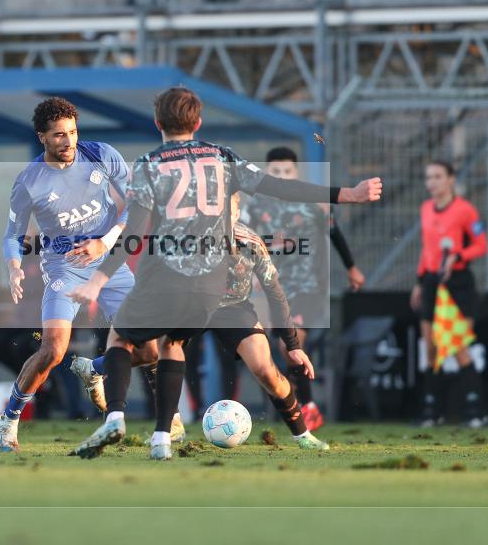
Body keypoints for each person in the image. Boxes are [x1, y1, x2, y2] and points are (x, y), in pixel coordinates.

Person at [68, 86, 381, 460]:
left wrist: (99, 279)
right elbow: (279, 187)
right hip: (210, 284)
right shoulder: (222, 158)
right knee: (170, 345)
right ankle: (160, 439)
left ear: (157, 123)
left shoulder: (151, 164)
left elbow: (134, 233)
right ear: (198, 123)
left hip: (180, 281)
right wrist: (350, 193)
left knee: (128, 339)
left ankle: (118, 415)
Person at [71, 192, 330, 452]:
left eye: (226, 212)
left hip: (234, 308)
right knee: (153, 351)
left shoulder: (250, 242)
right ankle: (166, 429)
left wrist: (293, 345)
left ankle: (303, 435)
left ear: (237, 213)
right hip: (189, 303)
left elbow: (275, 294)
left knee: (265, 369)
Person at [0, 97, 150, 453]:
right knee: (53, 350)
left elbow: (136, 207)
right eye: (59, 135)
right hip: (64, 267)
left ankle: (94, 368)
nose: (69, 141)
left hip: (109, 262)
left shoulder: (101, 155)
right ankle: (9, 419)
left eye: (73, 132)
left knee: (151, 347)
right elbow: (12, 235)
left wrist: (104, 241)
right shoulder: (29, 181)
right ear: (42, 138)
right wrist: (15, 266)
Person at [246, 146, 365, 430]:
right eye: (276, 172)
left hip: (309, 285)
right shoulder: (257, 206)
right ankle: (307, 404)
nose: (282, 176)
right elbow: (246, 241)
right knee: (283, 347)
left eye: (287, 171)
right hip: (276, 285)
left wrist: (351, 267)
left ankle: (307, 408)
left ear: (295, 173)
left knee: (292, 342)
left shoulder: (313, 205)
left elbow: (335, 233)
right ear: (268, 174)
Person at [409, 160, 488, 428]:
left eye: (438, 176)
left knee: (456, 346)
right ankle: (432, 410)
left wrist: (459, 255)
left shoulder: (465, 211)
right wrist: (420, 282)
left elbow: (481, 245)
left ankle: (475, 410)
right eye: (428, 177)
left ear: (451, 179)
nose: (432, 182)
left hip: (459, 284)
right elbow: (426, 249)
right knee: (430, 348)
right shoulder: (425, 209)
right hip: (432, 282)